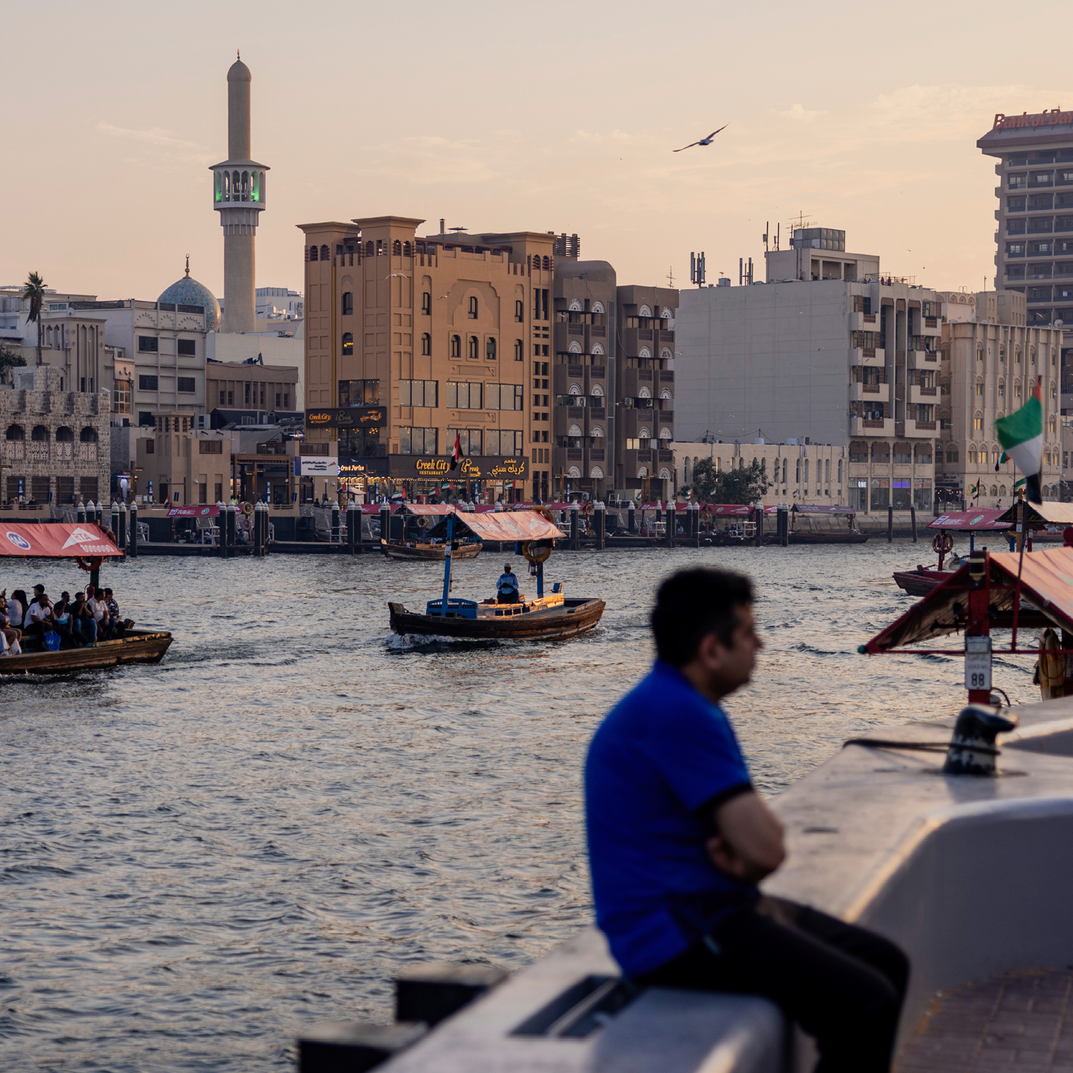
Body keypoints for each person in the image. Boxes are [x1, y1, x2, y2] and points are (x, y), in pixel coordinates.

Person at [585, 568, 908, 1073]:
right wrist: (746, 855)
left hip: (716, 905)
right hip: (678, 932)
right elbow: (768, 849)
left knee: (888, 963)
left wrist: (746, 855)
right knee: (867, 1003)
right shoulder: (677, 713)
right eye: (749, 633)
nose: (760, 644)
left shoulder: (680, 703)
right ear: (712, 650)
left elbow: (757, 845)